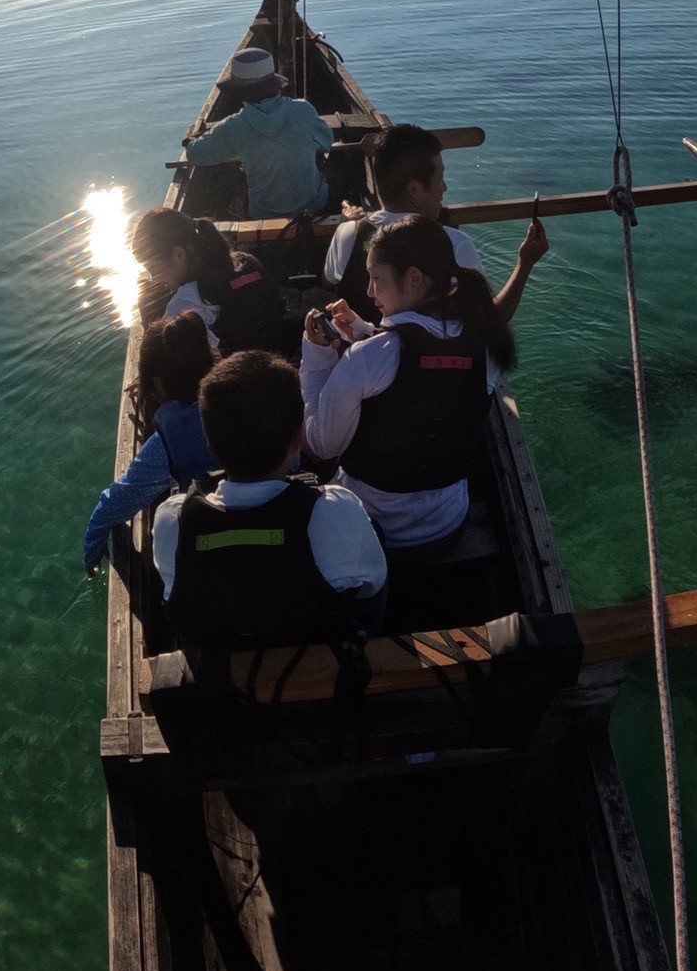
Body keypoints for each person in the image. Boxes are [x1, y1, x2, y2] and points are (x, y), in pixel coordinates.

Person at [302, 215, 514, 549]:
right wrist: (363, 331)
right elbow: (428, 370)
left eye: (375, 278)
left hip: (373, 530)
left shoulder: (368, 358)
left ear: (413, 278)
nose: (369, 292)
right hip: (446, 526)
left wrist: (316, 359)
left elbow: (321, 445)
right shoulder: (483, 343)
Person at [154, 348, 387, 645]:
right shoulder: (338, 512)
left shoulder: (172, 520)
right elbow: (372, 584)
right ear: (296, 440)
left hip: (222, 677)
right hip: (316, 663)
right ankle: (374, 640)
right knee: (374, 536)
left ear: (210, 443)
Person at [324, 122, 548, 326]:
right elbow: (493, 319)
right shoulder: (455, 243)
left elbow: (329, 281)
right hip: (428, 370)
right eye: (440, 178)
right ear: (415, 189)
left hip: (363, 366)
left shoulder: (348, 233)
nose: (445, 188)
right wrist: (525, 262)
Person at [83, 312, 218, 575]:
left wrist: (91, 553)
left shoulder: (169, 443)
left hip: (212, 542)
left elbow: (112, 506)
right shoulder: (239, 397)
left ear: (156, 382)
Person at [181, 47, 333, 219]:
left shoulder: (233, 126)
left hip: (263, 213)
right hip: (313, 205)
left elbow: (194, 154)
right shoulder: (303, 109)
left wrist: (190, 139)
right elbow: (327, 140)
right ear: (275, 86)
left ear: (240, 94)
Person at [128, 208, 285, 354]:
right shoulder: (247, 261)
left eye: (155, 271)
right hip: (277, 363)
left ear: (179, 255)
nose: (155, 280)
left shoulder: (185, 303)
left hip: (238, 380)